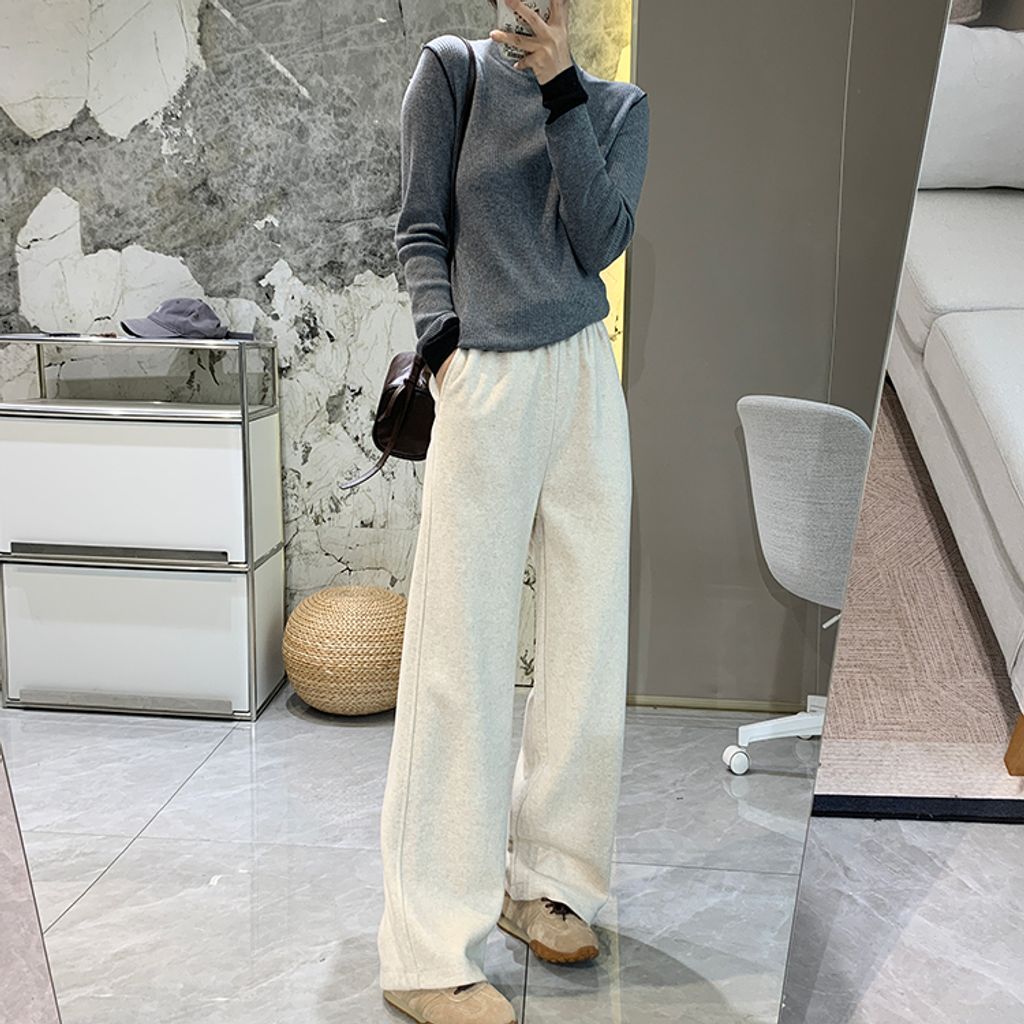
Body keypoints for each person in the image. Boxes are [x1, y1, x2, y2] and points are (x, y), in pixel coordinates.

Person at [377, 1, 649, 1021]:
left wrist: (562, 86)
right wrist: (446, 345)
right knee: (459, 655)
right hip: (484, 374)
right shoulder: (448, 72)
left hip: (583, 379)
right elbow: (419, 226)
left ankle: (549, 881)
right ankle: (424, 949)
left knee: (587, 644)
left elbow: (600, 239)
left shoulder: (616, 106)